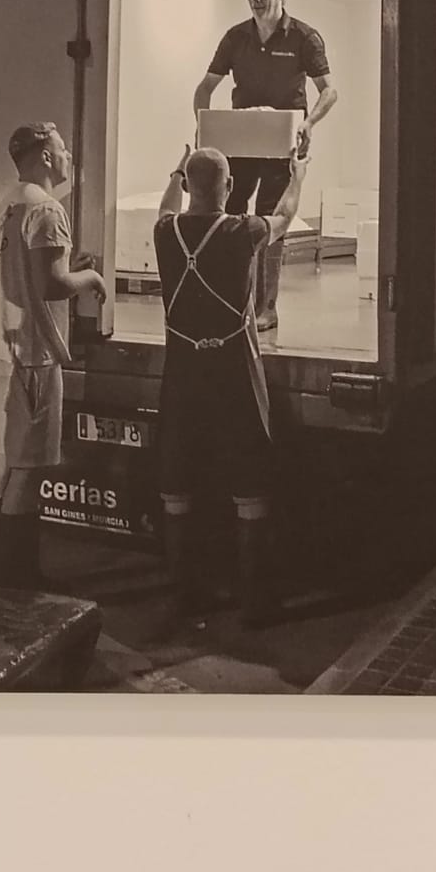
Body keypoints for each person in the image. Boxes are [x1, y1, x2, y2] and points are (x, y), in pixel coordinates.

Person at [151, 141, 309, 628]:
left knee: (177, 484)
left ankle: (184, 595)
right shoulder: (244, 230)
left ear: (187, 185)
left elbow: (165, 206)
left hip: (181, 373)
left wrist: (175, 171)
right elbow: (284, 218)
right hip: (233, 371)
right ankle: (255, 602)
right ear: (231, 185)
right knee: (250, 481)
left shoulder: (165, 232)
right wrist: (297, 176)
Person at [0, 121, 107, 589]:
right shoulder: (47, 209)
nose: (69, 156)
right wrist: (90, 280)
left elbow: (26, 272)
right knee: (28, 471)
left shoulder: (6, 204)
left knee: (2, 461)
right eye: (63, 149)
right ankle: (19, 577)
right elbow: (51, 285)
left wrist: (67, 267)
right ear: (46, 157)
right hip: (30, 357)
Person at [192, 0, 338, 333]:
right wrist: (203, 127)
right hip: (241, 138)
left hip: (283, 140)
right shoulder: (235, 37)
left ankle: (265, 308)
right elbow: (205, 87)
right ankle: (230, 298)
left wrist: (309, 122)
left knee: (271, 219)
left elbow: (329, 91)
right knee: (230, 215)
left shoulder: (304, 37)